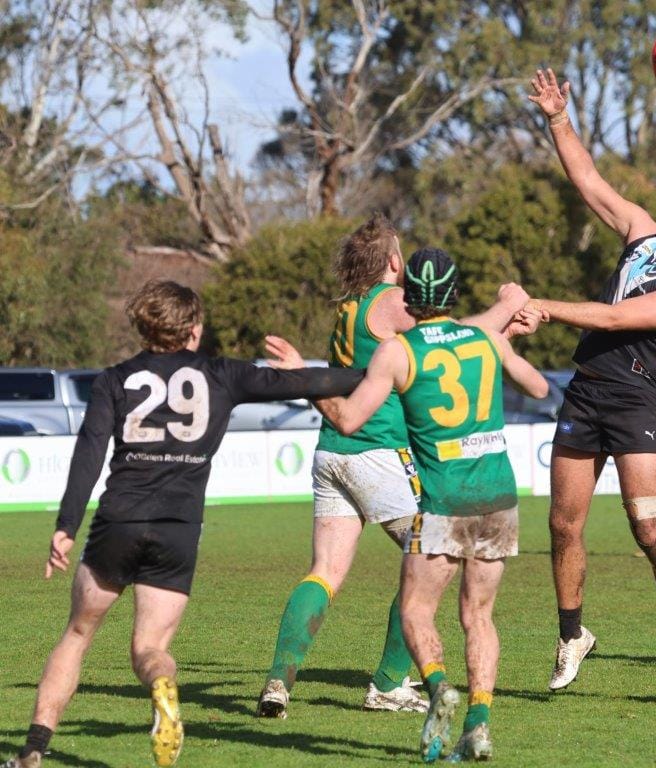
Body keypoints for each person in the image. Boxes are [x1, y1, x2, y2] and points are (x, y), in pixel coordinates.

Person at [1, 280, 363, 768]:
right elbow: (311, 383)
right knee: (150, 648)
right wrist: (384, 371)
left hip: (118, 522)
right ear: (194, 329)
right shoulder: (223, 375)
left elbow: (89, 454)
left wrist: (66, 526)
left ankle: (32, 751)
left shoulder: (113, 380)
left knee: (78, 635)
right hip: (177, 529)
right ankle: (161, 685)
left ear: (144, 326)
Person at [256, 214, 534, 719]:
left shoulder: (351, 304)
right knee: (430, 565)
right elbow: (446, 336)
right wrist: (506, 307)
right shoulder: (391, 301)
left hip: (333, 449)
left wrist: (503, 326)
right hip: (380, 452)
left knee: (325, 572)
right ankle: (388, 683)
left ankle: (279, 680)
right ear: (392, 260)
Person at [527, 67, 656, 695]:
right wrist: (558, 118)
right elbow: (588, 180)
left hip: (633, 402)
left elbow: (619, 318)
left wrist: (544, 306)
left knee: (649, 528)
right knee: (563, 525)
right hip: (585, 391)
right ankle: (572, 635)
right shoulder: (642, 232)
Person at [310, 247, 548, 762]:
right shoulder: (485, 339)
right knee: (478, 616)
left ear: (409, 297)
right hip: (497, 497)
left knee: (416, 610)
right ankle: (479, 723)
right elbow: (538, 386)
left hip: (442, 499)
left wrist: (303, 379)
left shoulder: (397, 352)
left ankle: (439, 689)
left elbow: (347, 420)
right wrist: (505, 344)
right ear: (454, 293)